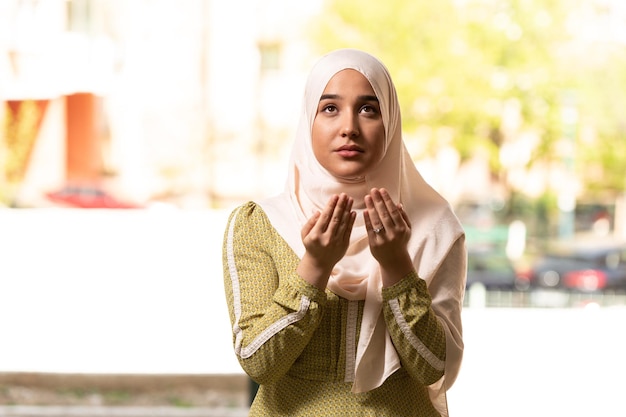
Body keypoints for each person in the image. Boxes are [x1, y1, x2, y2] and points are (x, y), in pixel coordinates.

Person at [222, 48, 466, 416]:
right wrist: (315, 266)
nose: (349, 127)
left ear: (391, 122)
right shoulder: (261, 223)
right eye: (330, 108)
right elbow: (258, 363)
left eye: (369, 109)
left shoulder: (433, 226)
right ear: (309, 121)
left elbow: (433, 367)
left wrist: (397, 265)